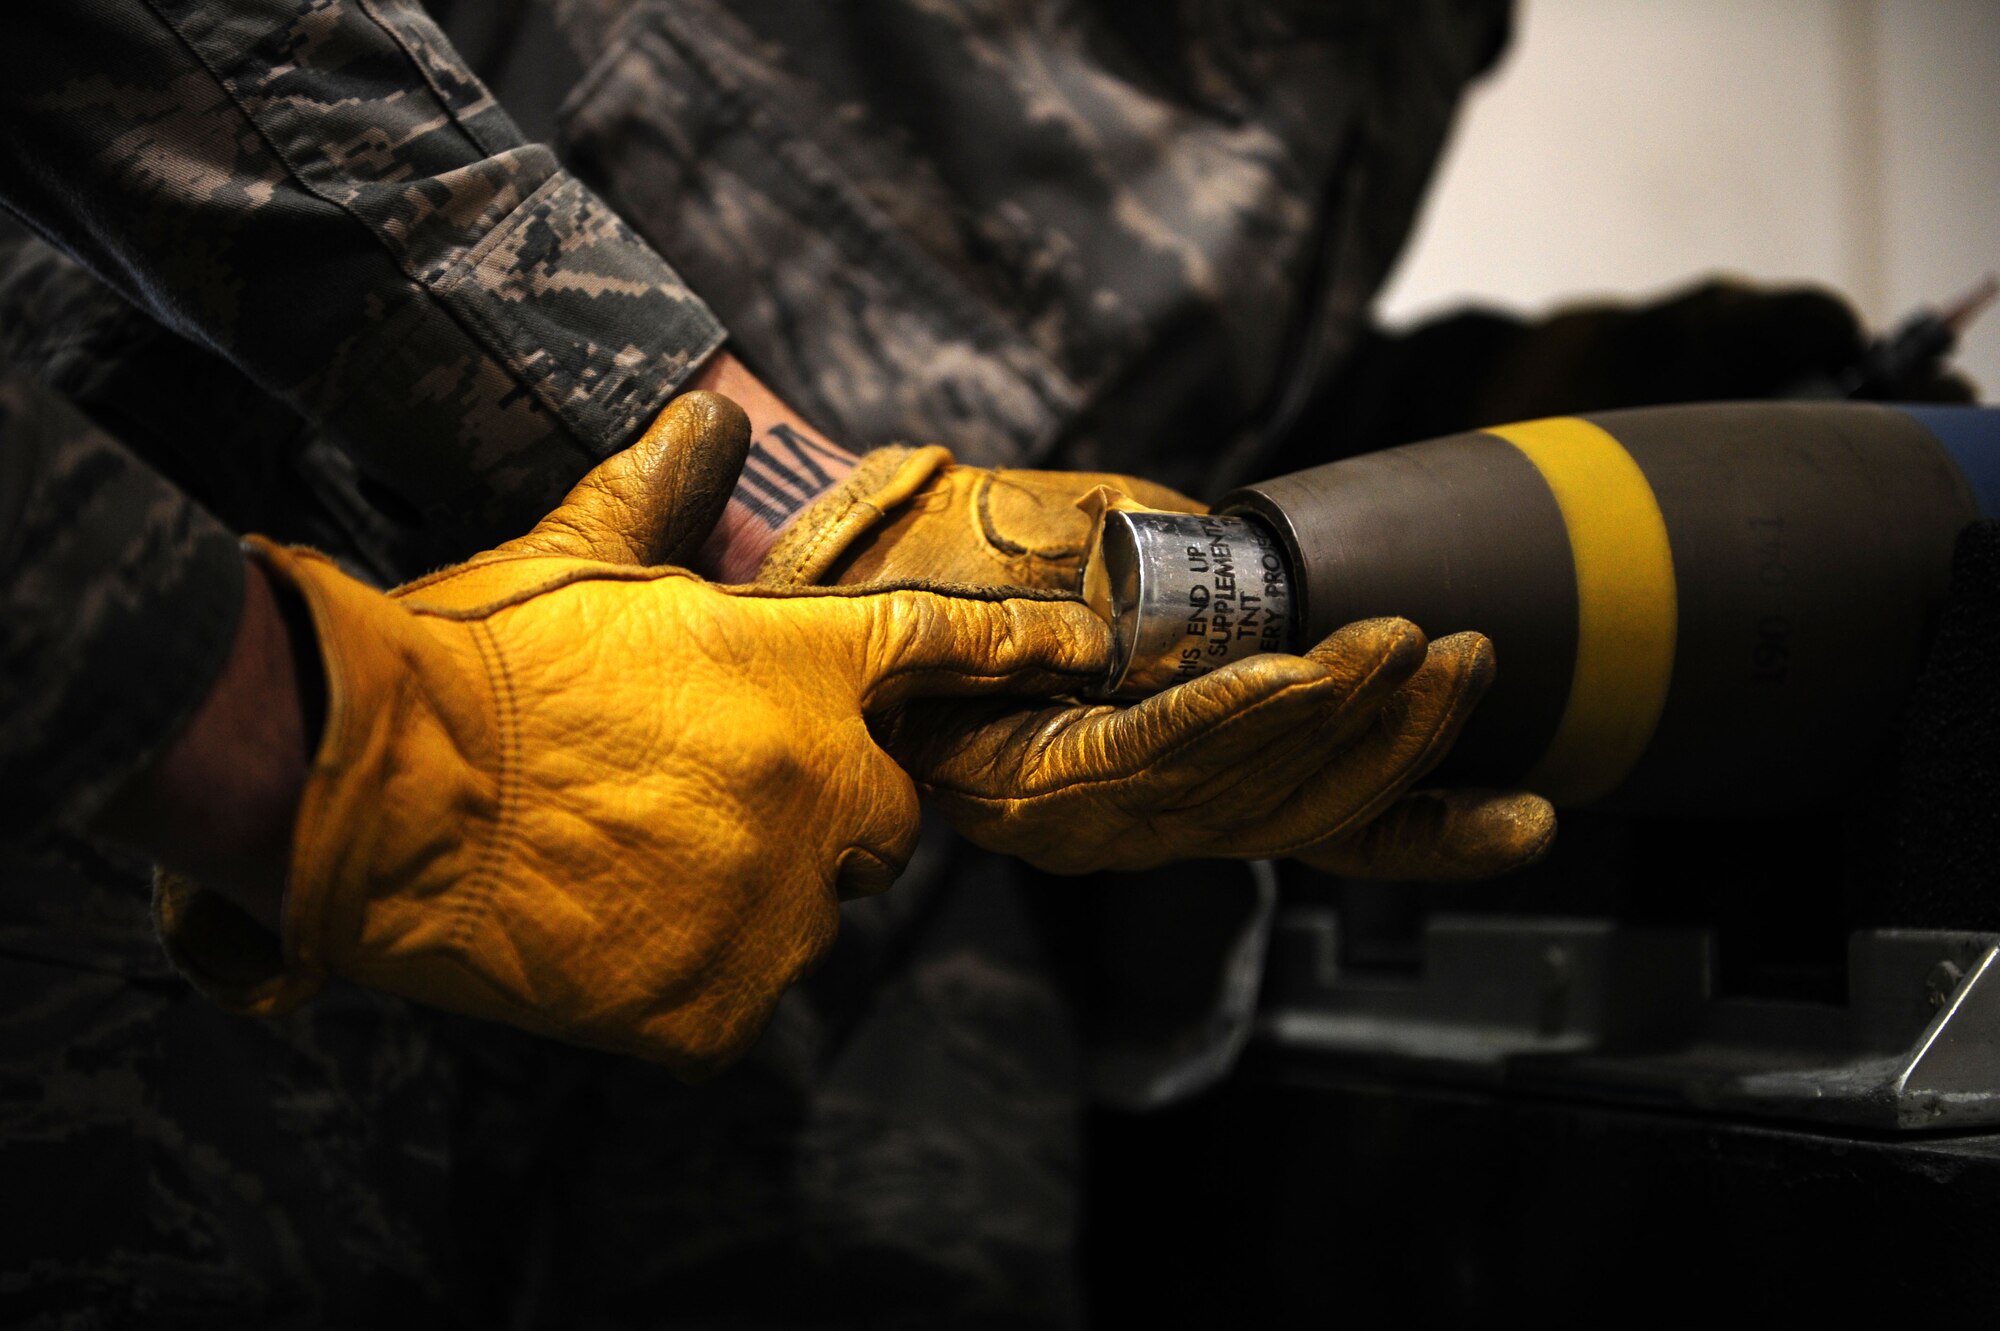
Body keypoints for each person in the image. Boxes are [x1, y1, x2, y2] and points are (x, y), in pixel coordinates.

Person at [2, 1, 1899, 1324]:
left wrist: (1455, 413)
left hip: (863, 857)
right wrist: (328, 735)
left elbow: (1127, 326)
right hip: (270, 643)